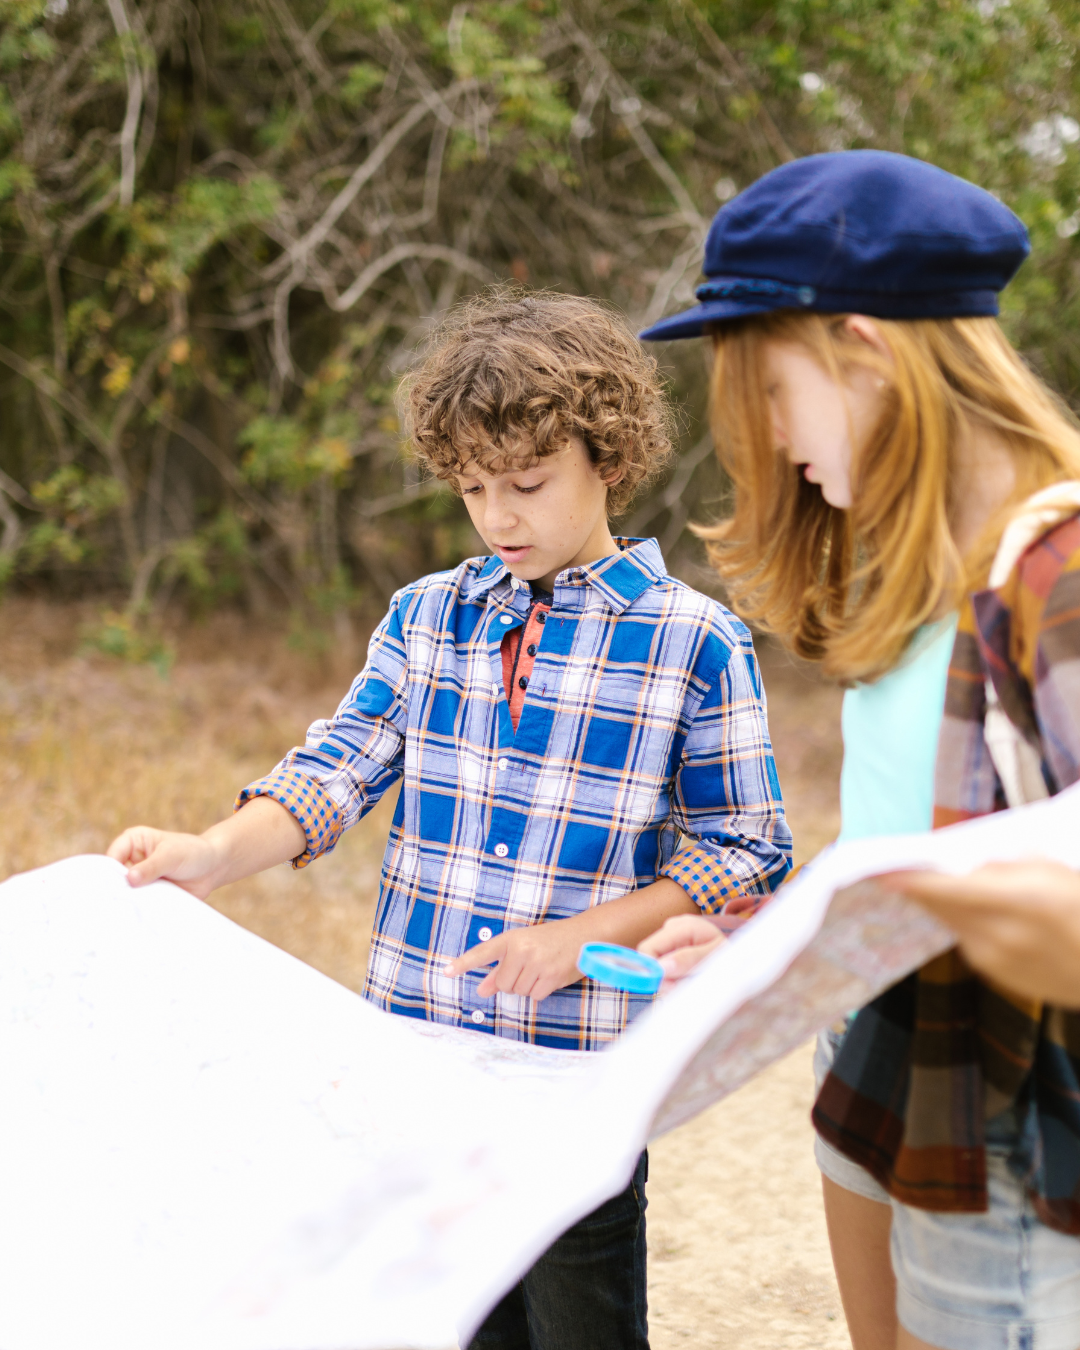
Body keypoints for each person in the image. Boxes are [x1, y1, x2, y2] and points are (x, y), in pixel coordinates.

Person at [107, 290, 792, 1350]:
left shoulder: (694, 641)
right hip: (418, 1069)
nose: (498, 517)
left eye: (527, 483)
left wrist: (580, 938)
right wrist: (212, 852)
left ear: (608, 456)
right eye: (474, 488)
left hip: (578, 1078)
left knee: (581, 1330)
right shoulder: (428, 616)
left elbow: (746, 847)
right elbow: (335, 770)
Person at [635, 151, 1080, 1350]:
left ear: (866, 352)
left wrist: (910, 904)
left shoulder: (1061, 576)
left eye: (775, 394)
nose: (773, 439)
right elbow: (905, 830)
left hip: (1011, 1139)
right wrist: (780, 941)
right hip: (887, 1064)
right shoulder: (923, 566)